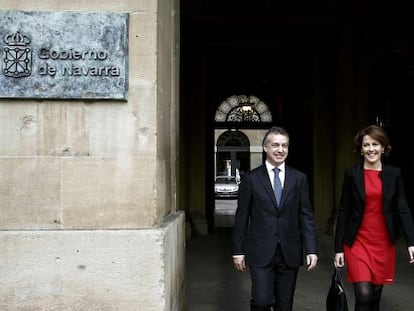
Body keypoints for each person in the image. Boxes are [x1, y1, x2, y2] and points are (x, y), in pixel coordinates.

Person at [232, 126, 319, 311]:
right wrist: (238, 251)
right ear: (265, 147)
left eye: (284, 146)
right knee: (261, 300)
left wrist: (311, 249)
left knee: (284, 305)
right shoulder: (251, 179)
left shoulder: (299, 179)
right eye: (276, 145)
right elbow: (241, 217)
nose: (280, 150)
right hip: (260, 250)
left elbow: (306, 214)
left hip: (289, 251)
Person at [334, 124, 414, 311]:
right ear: (360, 149)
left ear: (384, 147)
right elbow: (344, 210)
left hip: (384, 243)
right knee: (363, 295)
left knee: (375, 296)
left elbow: (402, 207)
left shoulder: (394, 174)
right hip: (357, 243)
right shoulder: (352, 174)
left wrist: (411, 242)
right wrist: (338, 248)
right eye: (366, 145)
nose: (371, 149)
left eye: (375, 144)